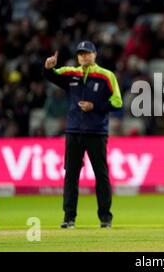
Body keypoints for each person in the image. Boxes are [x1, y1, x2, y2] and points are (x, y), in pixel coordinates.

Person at [43, 41, 123, 228]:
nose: (83, 56)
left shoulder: (106, 76)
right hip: (73, 133)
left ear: (94, 54)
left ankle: (105, 218)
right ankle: (68, 218)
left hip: (96, 133)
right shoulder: (71, 73)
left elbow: (117, 102)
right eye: (80, 54)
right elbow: (52, 76)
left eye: (87, 53)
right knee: (71, 175)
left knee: (101, 175)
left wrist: (95, 107)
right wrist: (47, 67)